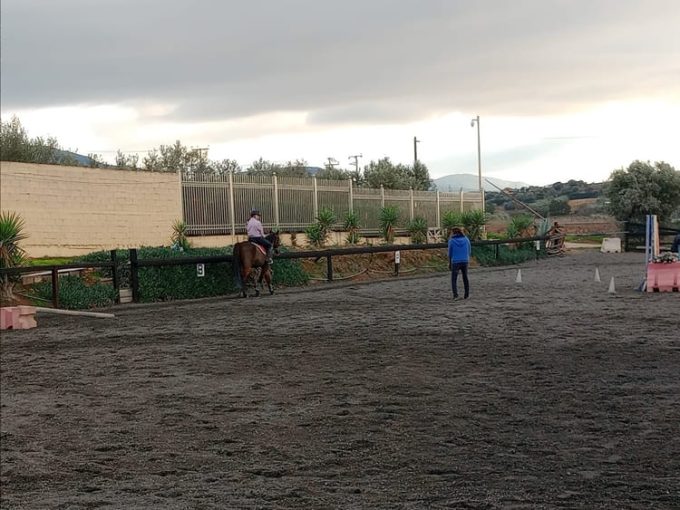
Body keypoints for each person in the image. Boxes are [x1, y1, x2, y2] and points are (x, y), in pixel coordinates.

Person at [448, 227, 471, 299]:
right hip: (465, 260)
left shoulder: (451, 241)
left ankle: (455, 295)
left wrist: (449, 262)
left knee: (454, 279)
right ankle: (466, 294)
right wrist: (467, 258)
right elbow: (469, 250)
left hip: (455, 261)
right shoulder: (466, 239)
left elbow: (450, 253)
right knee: (465, 277)